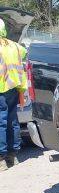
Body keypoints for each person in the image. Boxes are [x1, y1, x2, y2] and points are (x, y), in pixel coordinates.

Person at [0, 18, 28, 171]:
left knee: (1, 122)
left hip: (1, 90)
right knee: (12, 121)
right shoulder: (15, 47)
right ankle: (13, 155)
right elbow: (24, 54)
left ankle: (1, 159)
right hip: (14, 88)